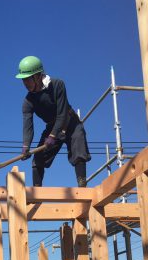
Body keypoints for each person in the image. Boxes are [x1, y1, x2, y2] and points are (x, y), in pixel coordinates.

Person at [15, 55, 91, 187]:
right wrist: (26, 146)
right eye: (23, 80)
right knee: (38, 157)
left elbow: (62, 113)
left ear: (38, 76)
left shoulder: (57, 85)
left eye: (27, 79)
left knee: (78, 149)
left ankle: (82, 186)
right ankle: (36, 192)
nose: (25, 83)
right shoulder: (28, 102)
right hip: (52, 126)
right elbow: (28, 126)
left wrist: (53, 135)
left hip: (70, 121)